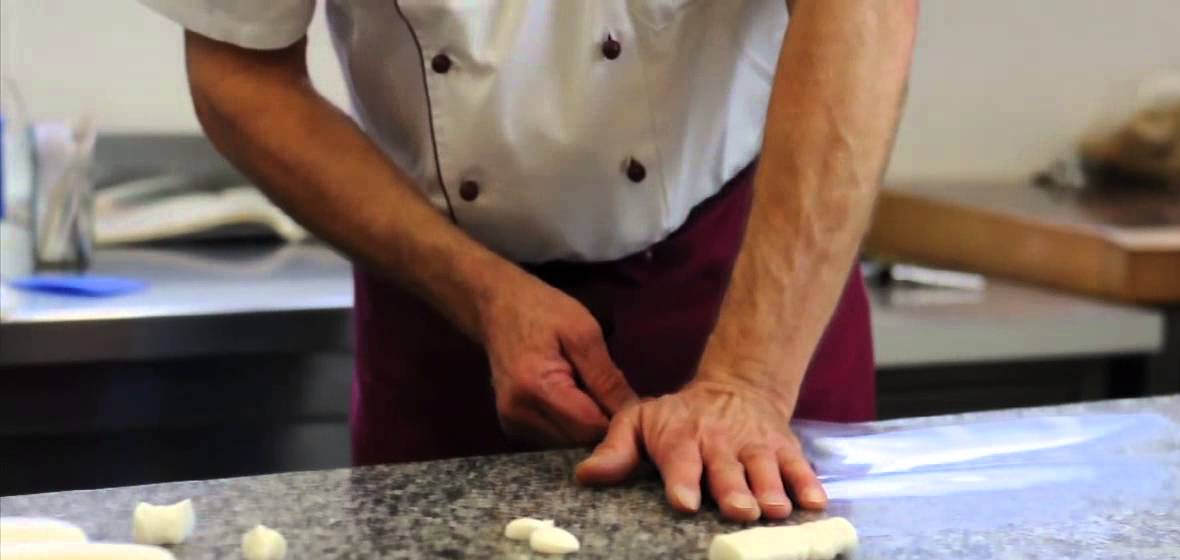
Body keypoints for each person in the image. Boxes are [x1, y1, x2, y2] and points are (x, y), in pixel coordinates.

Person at [140, 0, 917, 523]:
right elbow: (240, 72)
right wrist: (474, 291)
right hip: (445, 323)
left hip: (750, 282)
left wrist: (748, 380)